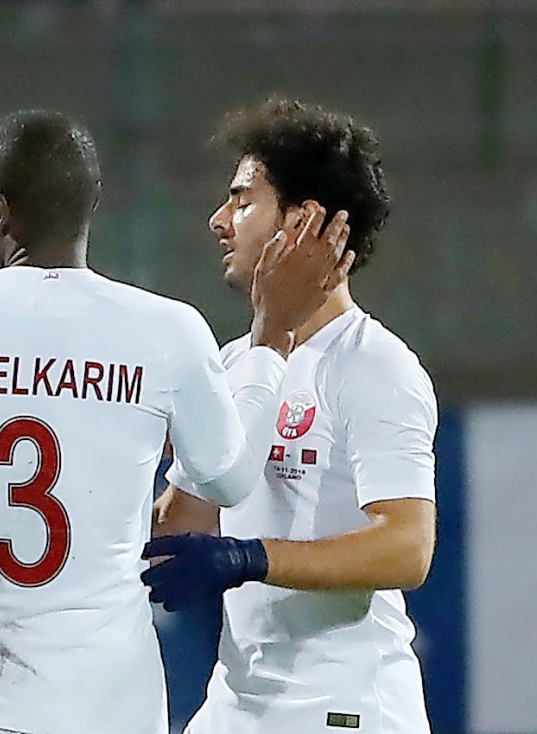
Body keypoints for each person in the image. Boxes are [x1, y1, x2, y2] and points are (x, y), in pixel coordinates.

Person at [0, 109, 352, 734]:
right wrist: (270, 338)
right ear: (92, 204)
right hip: (104, 701)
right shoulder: (164, 328)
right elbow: (231, 480)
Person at [144, 99, 437, 734]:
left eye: (242, 200)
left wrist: (250, 558)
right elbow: (180, 524)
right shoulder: (234, 364)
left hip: (343, 709)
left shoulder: (375, 365)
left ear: (301, 224)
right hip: (238, 706)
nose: (219, 221)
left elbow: (408, 547)